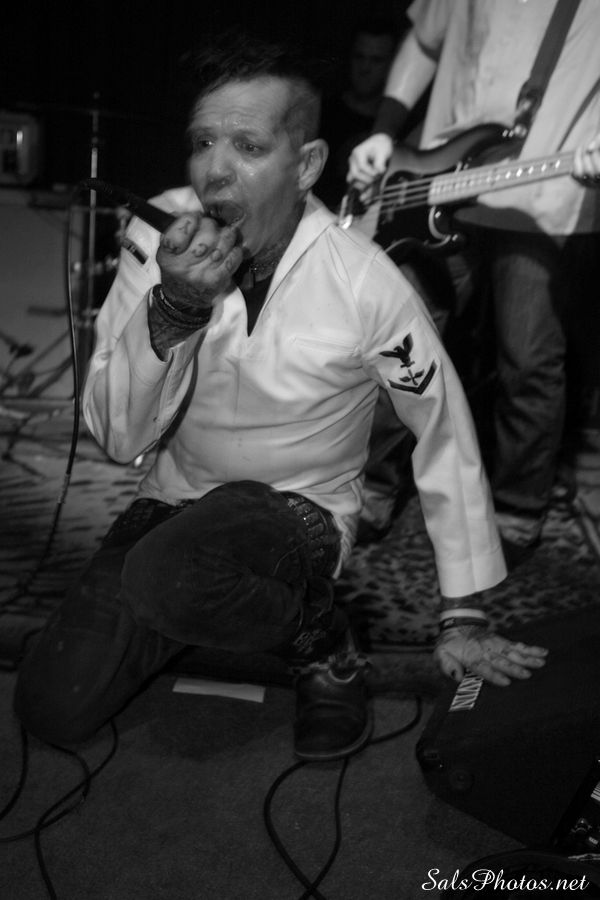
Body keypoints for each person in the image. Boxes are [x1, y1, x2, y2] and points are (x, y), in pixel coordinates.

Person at [14, 32, 548, 763]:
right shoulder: (160, 235)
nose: (215, 171)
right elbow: (116, 435)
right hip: (172, 502)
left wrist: (463, 611)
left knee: (170, 574)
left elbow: (443, 426)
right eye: (203, 142)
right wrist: (174, 310)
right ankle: (201, 607)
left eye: (248, 147)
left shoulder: (365, 280)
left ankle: (322, 640)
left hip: (299, 512)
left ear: (307, 165)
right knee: (52, 705)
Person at [348, 0, 600, 566]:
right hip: (433, 179)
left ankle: (517, 509)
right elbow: (424, 41)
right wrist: (385, 131)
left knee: (527, 361)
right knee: (395, 345)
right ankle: (372, 487)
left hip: (543, 195)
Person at [316, 18, 400, 211]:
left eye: (376, 60)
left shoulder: (400, 125)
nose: (365, 68)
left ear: (393, 65)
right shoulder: (324, 113)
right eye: (359, 57)